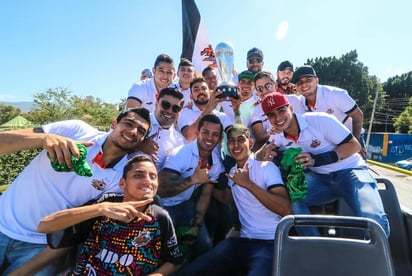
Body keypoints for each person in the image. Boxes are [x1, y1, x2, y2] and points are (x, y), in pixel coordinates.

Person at [0, 108, 152, 274]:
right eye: (128, 123)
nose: (133, 131)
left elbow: (77, 231)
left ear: (142, 140)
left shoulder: (122, 178)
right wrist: (44, 138)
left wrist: (21, 272)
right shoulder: (76, 130)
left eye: (141, 131)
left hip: (44, 245)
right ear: (114, 123)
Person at [258, 92, 389, 236]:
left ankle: (377, 257)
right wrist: (265, 156)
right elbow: (261, 155)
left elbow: (354, 146)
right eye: (271, 115)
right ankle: (314, 247)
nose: (277, 118)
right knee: (296, 201)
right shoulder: (277, 135)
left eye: (281, 110)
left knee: (373, 219)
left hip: (350, 171)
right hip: (321, 178)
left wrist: (316, 159)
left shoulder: (320, 120)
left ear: (291, 108)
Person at [37, 155, 183, 275]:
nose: (147, 181)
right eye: (138, 175)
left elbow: (174, 261)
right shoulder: (103, 205)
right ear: (122, 183)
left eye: (153, 176)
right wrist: (100, 209)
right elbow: (44, 225)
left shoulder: (160, 218)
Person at [175, 124, 291, 275]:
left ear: (250, 143)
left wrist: (248, 184)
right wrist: (205, 180)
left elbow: (285, 209)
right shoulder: (232, 172)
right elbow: (226, 198)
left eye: (240, 140)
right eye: (231, 141)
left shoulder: (266, 167)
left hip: (269, 242)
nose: (235, 145)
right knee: (192, 271)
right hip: (241, 242)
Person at [157, 114, 225, 262]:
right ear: (197, 133)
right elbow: (160, 190)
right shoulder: (180, 153)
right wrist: (192, 179)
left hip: (187, 205)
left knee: (204, 245)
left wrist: (197, 225)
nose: (209, 138)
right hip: (164, 207)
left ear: (219, 139)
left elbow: (205, 195)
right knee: (166, 248)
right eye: (205, 132)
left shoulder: (216, 164)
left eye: (215, 135)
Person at [292, 65, 366, 157]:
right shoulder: (301, 102)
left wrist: (355, 142)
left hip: (352, 136)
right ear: (296, 86)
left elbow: (358, 115)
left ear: (317, 80)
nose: (304, 85)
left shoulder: (335, 94)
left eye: (308, 80)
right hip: (329, 141)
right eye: (299, 82)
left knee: (357, 168)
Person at [134, 87, 185, 171]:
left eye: (176, 108)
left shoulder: (179, 141)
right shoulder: (137, 120)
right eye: (165, 105)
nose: (170, 111)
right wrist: (139, 146)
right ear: (156, 103)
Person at [178, 77, 231, 142]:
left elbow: (234, 135)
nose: (201, 91)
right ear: (191, 96)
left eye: (204, 88)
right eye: (196, 89)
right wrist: (208, 109)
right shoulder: (185, 113)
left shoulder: (221, 116)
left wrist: (236, 109)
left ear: (210, 93)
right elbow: (189, 137)